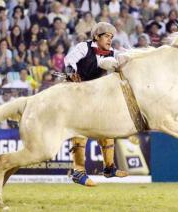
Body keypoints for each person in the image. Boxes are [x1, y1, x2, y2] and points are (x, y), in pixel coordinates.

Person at [64, 22, 128, 186]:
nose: (110, 40)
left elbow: (125, 62)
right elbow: (69, 60)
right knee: (80, 132)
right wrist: (71, 72)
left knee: (108, 130)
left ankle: (109, 168)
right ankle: (78, 172)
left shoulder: (114, 54)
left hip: (97, 99)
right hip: (77, 95)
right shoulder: (83, 47)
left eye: (111, 37)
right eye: (106, 36)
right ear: (96, 37)